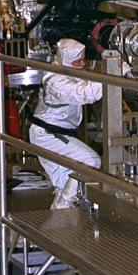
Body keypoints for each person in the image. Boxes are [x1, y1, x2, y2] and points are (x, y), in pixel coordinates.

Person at [29, 38, 102, 209]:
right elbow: (85, 93)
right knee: (90, 161)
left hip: (55, 134)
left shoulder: (65, 72)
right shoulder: (57, 82)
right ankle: (64, 205)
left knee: (65, 185)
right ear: (68, 61)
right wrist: (116, 74)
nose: (83, 63)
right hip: (48, 136)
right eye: (78, 61)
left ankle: (57, 226)